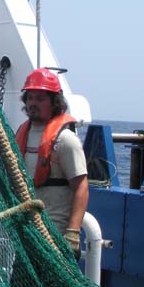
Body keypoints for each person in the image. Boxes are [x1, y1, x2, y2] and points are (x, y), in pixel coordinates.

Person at [15, 68, 89, 259]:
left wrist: (72, 233)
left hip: (55, 234)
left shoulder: (65, 140)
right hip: (27, 229)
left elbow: (81, 187)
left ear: (54, 102)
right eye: (30, 97)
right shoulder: (20, 134)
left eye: (40, 98)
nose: (33, 103)